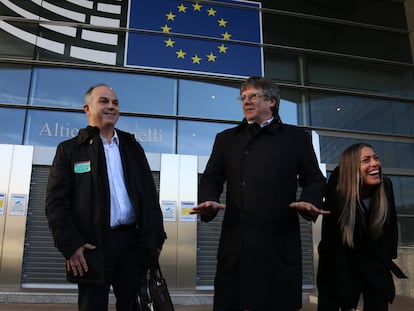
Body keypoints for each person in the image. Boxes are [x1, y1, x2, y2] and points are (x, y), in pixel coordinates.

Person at [191, 76, 328, 311]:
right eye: (243, 97)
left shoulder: (296, 138)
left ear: (272, 101)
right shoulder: (226, 139)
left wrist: (308, 199)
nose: (246, 102)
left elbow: (314, 178)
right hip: (237, 242)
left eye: (253, 96)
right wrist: (209, 199)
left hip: (278, 242)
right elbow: (212, 177)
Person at [45, 84, 166, 311]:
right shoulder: (70, 150)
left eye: (115, 103)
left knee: (135, 306)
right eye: (104, 101)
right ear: (87, 109)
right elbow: (56, 203)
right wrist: (70, 245)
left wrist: (155, 238)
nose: (111, 106)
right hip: (92, 245)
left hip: (132, 244)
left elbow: (149, 196)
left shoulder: (132, 147)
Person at [317, 142, 406, 311]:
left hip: (374, 258)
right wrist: (345, 296)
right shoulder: (338, 186)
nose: (375, 163)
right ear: (352, 169)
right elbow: (331, 238)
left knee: (379, 302)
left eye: (375, 158)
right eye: (366, 160)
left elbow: (391, 226)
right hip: (339, 257)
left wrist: (387, 255)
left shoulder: (385, 186)